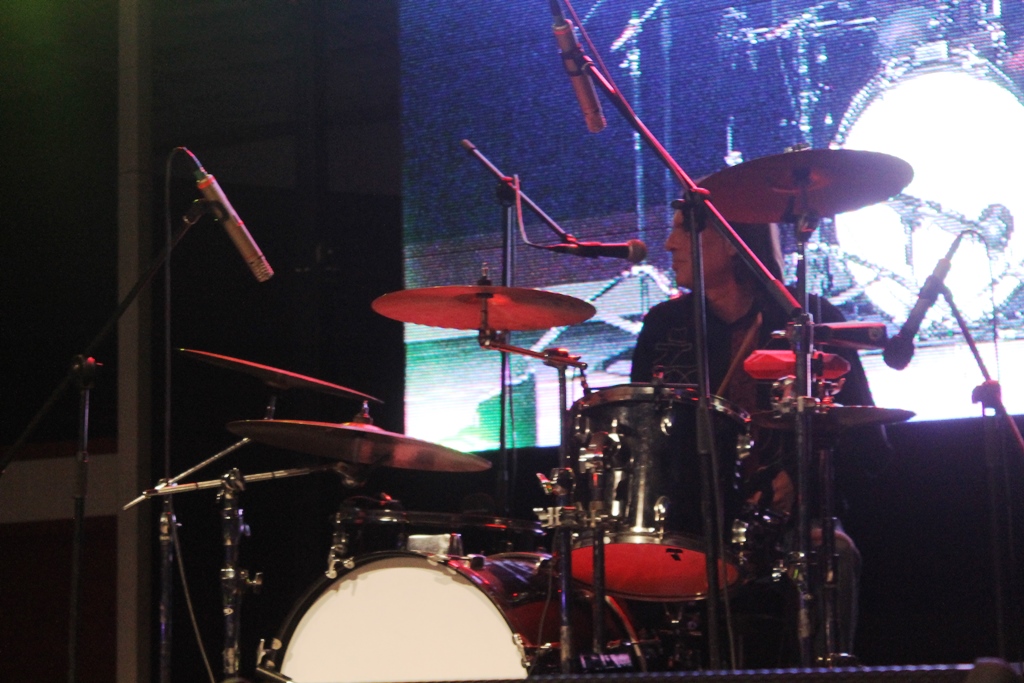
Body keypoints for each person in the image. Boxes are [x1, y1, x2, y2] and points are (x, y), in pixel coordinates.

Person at [630, 201, 886, 666]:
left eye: (685, 231)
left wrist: (800, 479)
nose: (668, 244)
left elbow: (867, 444)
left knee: (835, 554)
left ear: (732, 243)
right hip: (690, 523)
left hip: (789, 524)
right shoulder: (665, 326)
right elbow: (642, 437)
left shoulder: (810, 319)